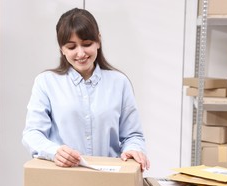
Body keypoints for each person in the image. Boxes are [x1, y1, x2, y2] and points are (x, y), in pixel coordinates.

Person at [22, 8, 150, 171]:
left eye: (87, 44)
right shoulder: (46, 82)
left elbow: (133, 135)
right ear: (62, 49)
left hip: (110, 179)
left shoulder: (119, 83)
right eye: (71, 47)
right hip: (62, 176)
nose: (80, 53)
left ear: (98, 41)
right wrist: (55, 152)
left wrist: (134, 150)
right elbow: (32, 134)